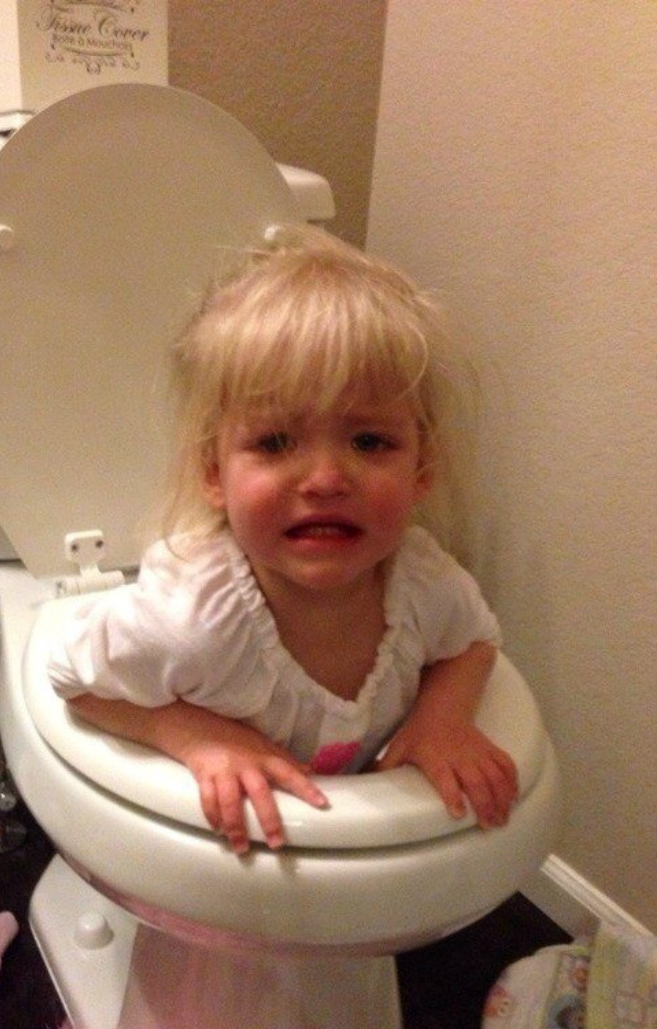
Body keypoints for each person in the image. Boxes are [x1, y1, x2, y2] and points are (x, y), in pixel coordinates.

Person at [48, 225, 518, 854]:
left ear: (421, 469)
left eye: (369, 441)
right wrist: (196, 736)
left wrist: (443, 718)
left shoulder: (422, 584)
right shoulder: (189, 621)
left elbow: (475, 642)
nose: (326, 479)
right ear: (214, 473)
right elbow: (71, 678)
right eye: (274, 442)